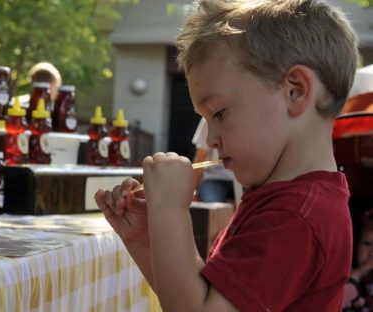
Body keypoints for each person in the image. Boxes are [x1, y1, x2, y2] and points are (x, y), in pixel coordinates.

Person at [94, 0, 358, 310]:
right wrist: (145, 239)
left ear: (295, 91)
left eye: (219, 112)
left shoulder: (295, 216)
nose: (211, 138)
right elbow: (200, 297)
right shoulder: (284, 200)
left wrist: (169, 211)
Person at [192, 117, 235, 203]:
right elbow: (200, 160)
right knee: (211, 207)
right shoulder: (208, 118)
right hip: (214, 177)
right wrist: (194, 190)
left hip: (242, 180)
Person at [344, 213, 373, 311]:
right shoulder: (346, 274)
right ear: (356, 245)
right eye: (367, 244)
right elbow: (339, 302)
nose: (371, 253)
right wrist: (358, 274)